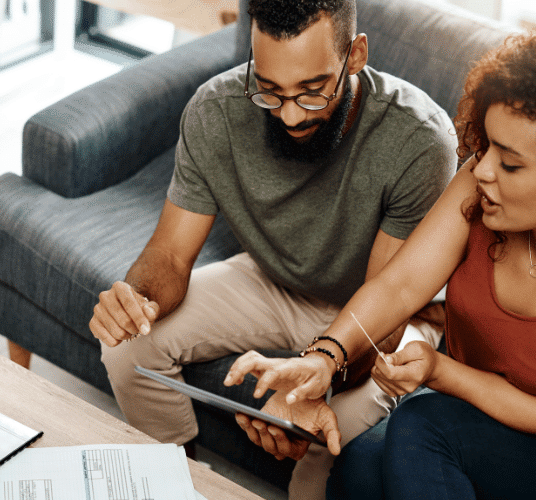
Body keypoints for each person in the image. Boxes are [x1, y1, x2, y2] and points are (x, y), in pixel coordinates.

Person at [225, 25, 536, 499]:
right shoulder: (482, 192)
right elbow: (400, 286)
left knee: (422, 425)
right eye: (485, 147)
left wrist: (438, 371)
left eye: (510, 162)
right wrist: (323, 358)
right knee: (354, 473)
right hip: (474, 417)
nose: (480, 169)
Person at [88, 0, 457, 497]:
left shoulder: (419, 140)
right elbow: (170, 257)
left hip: (378, 315)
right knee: (128, 347)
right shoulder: (215, 109)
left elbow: (384, 317)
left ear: (355, 55)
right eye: (269, 90)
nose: (288, 114)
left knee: (330, 439)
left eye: (311, 92)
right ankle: (179, 486)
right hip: (272, 279)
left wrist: (314, 379)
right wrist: (136, 299)